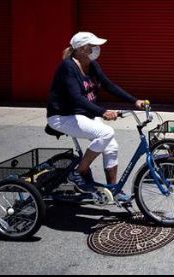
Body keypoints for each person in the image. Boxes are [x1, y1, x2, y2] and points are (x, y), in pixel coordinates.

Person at [46, 31, 146, 193]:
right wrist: (102, 112)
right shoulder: (68, 67)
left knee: (111, 145)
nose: (97, 48)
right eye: (93, 46)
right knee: (106, 133)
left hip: (83, 114)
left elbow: (109, 85)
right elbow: (76, 98)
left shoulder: (91, 65)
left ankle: (113, 191)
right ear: (81, 49)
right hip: (62, 116)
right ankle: (78, 173)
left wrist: (134, 101)